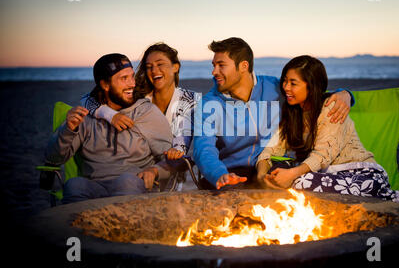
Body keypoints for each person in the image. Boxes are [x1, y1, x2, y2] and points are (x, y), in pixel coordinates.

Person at [193, 37, 354, 190]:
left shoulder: (275, 87)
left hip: (272, 166)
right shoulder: (208, 104)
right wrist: (220, 174)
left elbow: (311, 93)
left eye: (221, 65)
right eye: (213, 65)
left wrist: (345, 94)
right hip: (232, 173)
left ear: (243, 66)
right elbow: (203, 149)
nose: (214, 71)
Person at [256, 55, 399, 205]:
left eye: (293, 83)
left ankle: (390, 197)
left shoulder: (331, 108)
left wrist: (291, 175)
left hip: (363, 175)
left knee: (301, 182)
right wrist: (262, 176)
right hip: (328, 176)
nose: (286, 87)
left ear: (312, 86)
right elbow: (270, 149)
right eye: (284, 81)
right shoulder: (292, 114)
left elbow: (322, 156)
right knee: (277, 172)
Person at [45, 53, 173, 204]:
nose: (132, 84)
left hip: (133, 184)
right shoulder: (85, 117)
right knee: (74, 185)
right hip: (93, 185)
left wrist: (154, 171)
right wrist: (68, 130)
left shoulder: (146, 113)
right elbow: (53, 159)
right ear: (105, 85)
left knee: (126, 181)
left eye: (132, 76)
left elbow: (171, 159)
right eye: (124, 78)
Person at [81, 43, 201, 191]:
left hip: (168, 171)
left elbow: (181, 143)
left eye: (160, 64)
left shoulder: (191, 100)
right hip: (136, 174)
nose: (154, 70)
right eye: (149, 66)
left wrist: (175, 151)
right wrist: (110, 115)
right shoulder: (137, 94)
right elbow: (87, 99)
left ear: (175, 67)